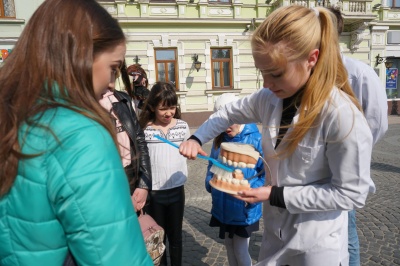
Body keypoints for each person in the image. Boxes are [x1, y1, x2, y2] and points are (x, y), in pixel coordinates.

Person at [178, 5, 375, 265]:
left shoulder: (341, 114)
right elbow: (228, 114)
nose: (266, 83)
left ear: (311, 59)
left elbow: (351, 194)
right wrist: (196, 138)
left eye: (276, 73)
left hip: (316, 248)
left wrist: (275, 194)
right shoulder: (269, 98)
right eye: (262, 72)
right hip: (275, 239)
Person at [0, 0, 152, 265]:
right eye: (113, 68)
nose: (111, 84)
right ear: (82, 56)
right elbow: (114, 257)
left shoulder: (12, 113)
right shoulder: (79, 133)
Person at [329, 7, 389, 266]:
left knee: (347, 229)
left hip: (342, 168)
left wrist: (353, 152)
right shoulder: (306, 72)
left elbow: (377, 122)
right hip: (313, 170)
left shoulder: (359, 72)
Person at [206, 93, 265, 266]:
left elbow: (265, 174)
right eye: (221, 122)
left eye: (229, 121)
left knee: (240, 248)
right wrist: (211, 184)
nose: (225, 127)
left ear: (239, 116)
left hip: (243, 208)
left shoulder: (256, 140)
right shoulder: (220, 140)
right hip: (223, 206)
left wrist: (250, 190)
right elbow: (211, 165)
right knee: (229, 245)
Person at [139, 81, 190, 266]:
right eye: (163, 108)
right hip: (154, 193)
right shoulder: (145, 130)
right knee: (158, 238)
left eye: (172, 107)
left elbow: (186, 150)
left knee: (176, 237)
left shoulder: (182, 127)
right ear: (152, 107)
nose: (169, 113)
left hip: (177, 191)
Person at [99, 62, 152, 212]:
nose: (112, 75)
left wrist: (144, 184)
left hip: (131, 173)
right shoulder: (87, 104)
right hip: (108, 182)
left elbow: (140, 141)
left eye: (114, 71)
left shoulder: (123, 99)